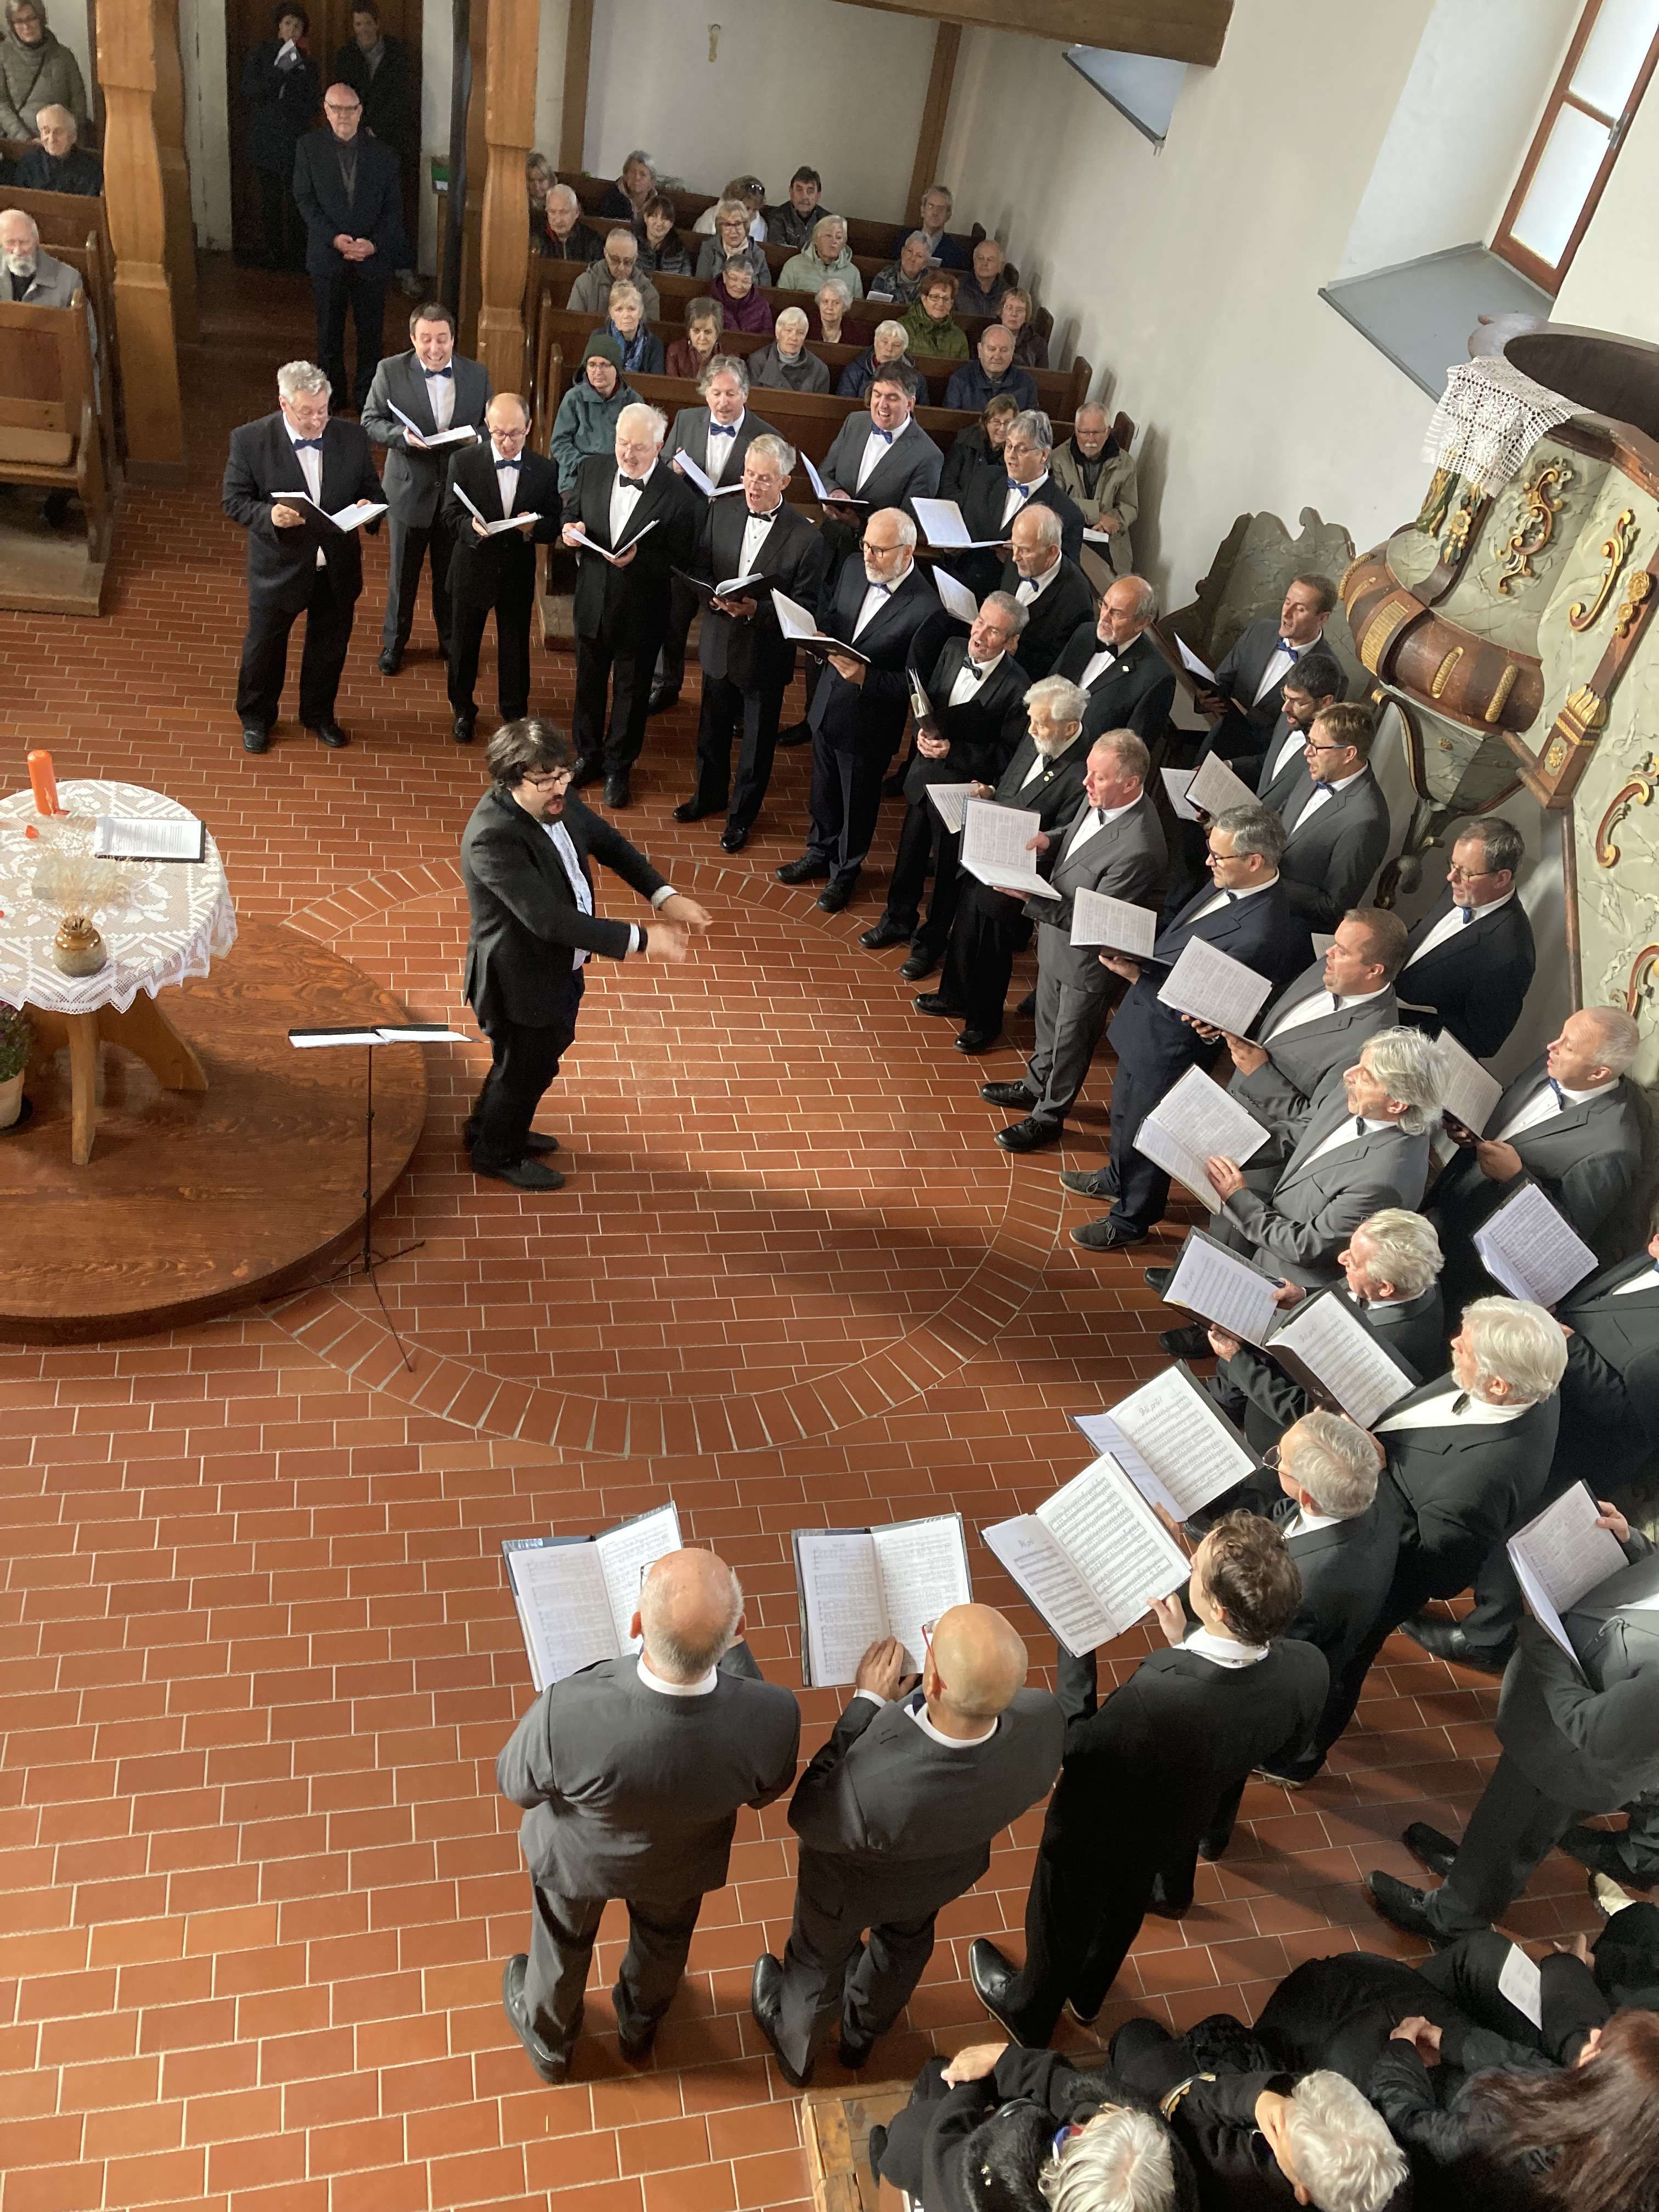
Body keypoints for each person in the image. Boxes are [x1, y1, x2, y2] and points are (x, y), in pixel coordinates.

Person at [969, 1514, 1327, 2046]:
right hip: (1176, 1825)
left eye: (1196, 1565)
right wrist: (1187, 1639)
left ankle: (1029, 2011)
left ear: (1219, 1610)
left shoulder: (1159, 1694)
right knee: (1126, 1903)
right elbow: (1282, 1746)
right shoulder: (1308, 1668)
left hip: (1095, 1831)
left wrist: (1074, 1645)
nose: (1190, 1560)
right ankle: (1088, 1995)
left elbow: (1080, 1748)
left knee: (1062, 1916)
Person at [496, 1544, 798, 2073]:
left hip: (578, 1862)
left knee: (562, 1938)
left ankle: (551, 2041)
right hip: (680, 1865)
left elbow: (515, 1784)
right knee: (664, 1941)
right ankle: (640, 2024)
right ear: (737, 1631)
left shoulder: (567, 1709)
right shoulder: (773, 1715)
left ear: (636, 1624)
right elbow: (767, 1791)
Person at [749, 1605, 1063, 2087]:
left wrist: (867, 1702)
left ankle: (798, 2054)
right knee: (903, 1947)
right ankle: (860, 2037)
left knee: (816, 1962)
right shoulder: (1045, 1721)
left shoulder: (870, 1787)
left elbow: (809, 1814)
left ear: (932, 1682)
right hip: (941, 1875)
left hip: (846, 1888)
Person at [1284, 1296, 1567, 1786]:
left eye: (1466, 1348)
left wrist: (1373, 1470)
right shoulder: (1527, 1381)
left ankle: (1302, 1755)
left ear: (1499, 1386)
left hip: (1381, 1576)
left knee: (1343, 1662)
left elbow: (1439, 1573)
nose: (1453, 1344)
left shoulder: (1478, 1483)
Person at [1367, 1500, 1658, 1947]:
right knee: (1509, 1826)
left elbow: (1589, 1730)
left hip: (1567, 1760)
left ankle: (1455, 1916)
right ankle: (1477, 1873)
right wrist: (1632, 1544)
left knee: (1515, 1827)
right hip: (1548, 1730)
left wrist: (1538, 1628)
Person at [459, 719, 709, 1187]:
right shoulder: (493, 837)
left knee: (526, 1062)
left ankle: (488, 1129)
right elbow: (549, 921)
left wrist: (663, 895)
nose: (560, 787)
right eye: (545, 780)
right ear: (511, 779)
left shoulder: (557, 799)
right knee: (527, 1067)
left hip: (556, 965)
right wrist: (643, 939)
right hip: (520, 977)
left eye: (564, 774)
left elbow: (608, 843)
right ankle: (496, 1153)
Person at [1065, 806, 1311, 1252]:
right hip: (1145, 1023)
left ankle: (1132, 1218)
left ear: (1254, 861)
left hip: (1171, 1042)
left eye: (1218, 856)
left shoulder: (1260, 932)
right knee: (1123, 1113)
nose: (1208, 862)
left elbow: (1204, 1008)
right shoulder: (1229, 880)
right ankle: (1116, 1177)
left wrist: (1135, 974)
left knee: (1148, 1130)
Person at [1163, 1029, 1443, 1325]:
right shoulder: (1359, 1097)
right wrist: (1228, 1146)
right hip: (1269, 1234)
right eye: (1359, 1064)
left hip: (1290, 1278)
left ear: (1397, 1104)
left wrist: (1237, 1198)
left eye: (1366, 1076)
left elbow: (1306, 1246)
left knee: (1243, 1330)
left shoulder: (1385, 1179)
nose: (1348, 1074)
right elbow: (1300, 1131)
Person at [981, 728, 1167, 1150]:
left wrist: (1030, 897)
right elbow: (1079, 834)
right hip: (1057, 943)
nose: (1086, 783)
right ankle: (1034, 1085)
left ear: (1130, 783)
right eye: (1089, 772)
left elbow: (1095, 922)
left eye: (1098, 777)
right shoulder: (1103, 796)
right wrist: (1050, 840)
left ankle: (1048, 1117)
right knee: (1048, 1026)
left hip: (1086, 961)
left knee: (1070, 1042)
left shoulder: (1139, 848)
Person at [915, 676, 1098, 1051]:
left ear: (1069, 728)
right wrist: (991, 792)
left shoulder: (1084, 770)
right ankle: (954, 995)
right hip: (988, 846)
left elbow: (1067, 830)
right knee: (966, 926)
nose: (1031, 730)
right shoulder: (1040, 737)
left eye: (1040, 724)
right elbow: (1014, 781)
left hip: (1022, 867)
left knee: (992, 948)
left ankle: (984, 1023)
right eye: (1032, 720)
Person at [775, 507, 936, 912]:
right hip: (828, 704)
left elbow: (915, 686)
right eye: (866, 545)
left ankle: (845, 872)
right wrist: (820, 635)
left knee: (857, 805)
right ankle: (819, 852)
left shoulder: (927, 608)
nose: (868, 556)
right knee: (823, 792)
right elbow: (836, 615)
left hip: (869, 725)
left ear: (908, 551)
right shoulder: (852, 566)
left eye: (880, 550)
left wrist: (866, 678)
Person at [858, 595, 1031, 972]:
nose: (979, 635)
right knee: (909, 858)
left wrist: (954, 751)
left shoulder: (1019, 687)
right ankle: (896, 920)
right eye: (980, 622)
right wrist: (921, 736)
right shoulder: (952, 649)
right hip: (924, 777)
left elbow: (1008, 755)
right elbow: (929, 706)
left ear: (1012, 642)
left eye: (994, 631)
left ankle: (930, 943)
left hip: (962, 794)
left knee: (946, 878)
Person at [673, 434, 827, 853]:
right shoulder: (721, 510)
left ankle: (741, 818)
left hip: (765, 654)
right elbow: (701, 565)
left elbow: (806, 607)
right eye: (748, 475)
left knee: (756, 747)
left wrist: (756, 611)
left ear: (785, 482)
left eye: (764, 479)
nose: (753, 486)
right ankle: (708, 795)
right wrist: (711, 595)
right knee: (711, 731)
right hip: (720, 642)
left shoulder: (806, 538)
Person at [221, 359, 385, 754]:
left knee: (329, 647)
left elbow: (372, 489)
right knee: (264, 648)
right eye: (307, 412)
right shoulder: (250, 440)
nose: (317, 421)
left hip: (336, 565)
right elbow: (234, 500)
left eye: (323, 411)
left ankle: (318, 714)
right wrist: (269, 516)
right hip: (279, 567)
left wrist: (370, 507)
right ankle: (257, 719)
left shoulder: (352, 436)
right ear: (284, 404)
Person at [1203, 1207, 1447, 1468]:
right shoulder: (1409, 1284)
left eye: (1353, 1261)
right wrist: (1304, 1295)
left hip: (1279, 1433)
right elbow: (1353, 1297)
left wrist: (1237, 1360)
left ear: (1385, 1287)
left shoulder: (1386, 1355)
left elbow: (1307, 1412)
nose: (1342, 1258)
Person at [1369, 2002, 1659, 2208]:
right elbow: (1535, 2067)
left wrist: (1400, 2051)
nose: (1595, 2033)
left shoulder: (1515, 2144)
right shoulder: (1628, 2157)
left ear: (1608, 2094)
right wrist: (1453, 2043)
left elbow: (1409, 2126)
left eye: (1602, 2047)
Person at [1108, 2025, 1408, 2212]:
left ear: (1302, 2192)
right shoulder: (1389, 2188)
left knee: (1135, 2035)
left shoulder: (1233, 2166)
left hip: (1176, 2137)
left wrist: (1256, 2099)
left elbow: (1186, 2106)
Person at [1434, 1003, 1643, 1272]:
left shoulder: (1613, 1150)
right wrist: (1472, 1131)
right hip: (1449, 1195)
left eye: (1569, 1047)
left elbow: (1568, 1239)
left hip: (1480, 1255)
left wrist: (1515, 1179)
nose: (1551, 1046)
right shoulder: (1556, 1063)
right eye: (1561, 1035)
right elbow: (1511, 1116)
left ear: (1598, 1073)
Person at [562, 400, 699, 808]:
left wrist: (641, 559)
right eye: (623, 443)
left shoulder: (678, 496)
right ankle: (588, 755)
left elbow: (682, 557)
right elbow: (571, 512)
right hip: (593, 600)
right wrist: (571, 529)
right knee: (588, 685)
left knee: (632, 692)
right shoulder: (592, 470)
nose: (628, 454)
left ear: (658, 447)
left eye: (639, 447)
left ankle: (619, 767)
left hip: (643, 609)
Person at [871, 2041, 1196, 2212]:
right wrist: (1007, 2061)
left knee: (925, 2099)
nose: (1091, 2115)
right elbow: (1076, 2093)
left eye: (1071, 2135)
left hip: (932, 2170)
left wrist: (973, 2086)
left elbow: (928, 2146)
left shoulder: (977, 2193)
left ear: (1055, 2178)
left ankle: (881, 2168)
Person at [360, 299, 491, 676]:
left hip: (454, 493)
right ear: (413, 339)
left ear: (453, 338)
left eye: (442, 339)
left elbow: (489, 426)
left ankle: (449, 642)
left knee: (449, 575)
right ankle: (394, 644)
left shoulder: (477, 375)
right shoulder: (389, 371)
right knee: (402, 576)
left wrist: (476, 439)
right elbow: (371, 420)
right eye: (426, 340)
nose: (435, 349)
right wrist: (401, 437)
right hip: (408, 488)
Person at [651, 356, 776, 713]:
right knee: (672, 617)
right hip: (685, 535)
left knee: (730, 623)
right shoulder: (687, 420)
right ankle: (665, 685)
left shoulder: (766, 436)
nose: (723, 402)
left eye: (731, 394)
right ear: (706, 393)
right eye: (716, 393)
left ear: (745, 394)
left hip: (733, 542)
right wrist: (673, 468)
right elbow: (661, 467)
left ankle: (729, 702)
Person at [442, 393, 562, 743]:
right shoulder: (463, 462)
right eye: (498, 434)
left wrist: (535, 527)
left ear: (529, 427)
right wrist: (469, 528)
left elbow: (555, 522)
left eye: (515, 434)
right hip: (472, 566)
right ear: (487, 427)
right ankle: (463, 710)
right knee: (464, 646)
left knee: (515, 648)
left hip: (516, 572)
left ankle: (514, 714)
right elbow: (449, 513)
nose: (507, 443)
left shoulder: (545, 469)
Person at [292, 81, 406, 410]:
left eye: (350, 109)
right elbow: (305, 200)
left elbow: (394, 209)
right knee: (329, 333)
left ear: (360, 112)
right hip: (328, 256)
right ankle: (331, 398)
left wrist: (373, 244)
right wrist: (333, 238)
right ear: (326, 111)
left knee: (371, 335)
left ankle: (367, 401)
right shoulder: (308, 147)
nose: (343, 115)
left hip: (371, 260)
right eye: (336, 108)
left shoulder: (385, 154)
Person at [1395, 816, 1536, 1059]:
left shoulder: (1511, 951)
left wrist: (1401, 1015)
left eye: (1465, 872)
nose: (1451, 877)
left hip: (1407, 1050)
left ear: (1501, 878)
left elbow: (1483, 1041)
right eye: (1453, 865)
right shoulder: (1463, 888)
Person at [1271, 702, 1394, 927]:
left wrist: (1266, 881)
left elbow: (1333, 906)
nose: (1307, 752)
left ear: (1348, 754)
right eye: (1309, 741)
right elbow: (1282, 817)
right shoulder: (1319, 769)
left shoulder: (1367, 821)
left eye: (1317, 746)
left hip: (1288, 924)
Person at [1192, 575, 1337, 764]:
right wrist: (1204, 701)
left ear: (1322, 618)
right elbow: (1222, 681)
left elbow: (1302, 739)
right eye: (1287, 602)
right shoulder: (1259, 631)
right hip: (1218, 741)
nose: (1286, 614)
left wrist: (1250, 717)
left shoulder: (1332, 674)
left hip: (1260, 764)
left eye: (1300, 609)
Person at [329, 2, 413, 292]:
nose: (363, 29)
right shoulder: (346, 55)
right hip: (355, 138)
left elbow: (403, 96)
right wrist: (360, 129)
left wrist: (378, 128)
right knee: (358, 199)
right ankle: (357, 262)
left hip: (391, 138)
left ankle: (399, 265)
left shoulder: (398, 53)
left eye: (367, 23)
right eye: (358, 24)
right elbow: (343, 95)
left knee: (392, 203)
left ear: (377, 23)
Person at [957, 409, 1084, 591]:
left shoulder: (1067, 513)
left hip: (1010, 596)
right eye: (1009, 446)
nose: (1011, 455)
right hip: (959, 580)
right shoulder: (984, 478)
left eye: (1022, 449)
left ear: (1044, 455)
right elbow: (960, 521)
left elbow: (1065, 579)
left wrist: (1020, 560)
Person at [815, 365, 944, 537]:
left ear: (910, 404)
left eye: (892, 398)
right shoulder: (855, 422)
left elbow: (907, 522)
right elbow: (825, 472)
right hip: (828, 534)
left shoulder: (928, 456)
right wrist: (834, 491)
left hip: (876, 546)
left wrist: (858, 524)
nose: (882, 405)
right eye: (877, 395)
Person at [1051, 574, 1176, 747]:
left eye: (1117, 613)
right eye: (1104, 605)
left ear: (1142, 622)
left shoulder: (1156, 678)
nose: (1104, 617)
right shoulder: (1084, 633)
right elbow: (1049, 688)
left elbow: (1131, 751)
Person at [240, 6, 318, 271]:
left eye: (298, 26)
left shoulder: (308, 63)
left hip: (295, 138)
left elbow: (312, 103)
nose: (292, 30)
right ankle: (273, 252)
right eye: (288, 24)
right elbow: (251, 91)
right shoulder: (261, 54)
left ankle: (297, 254)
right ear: (279, 27)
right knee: (270, 198)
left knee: (298, 197)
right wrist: (280, 70)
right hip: (266, 137)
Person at [998, 504, 1093, 681]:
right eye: (1014, 545)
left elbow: (1062, 667)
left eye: (1025, 550)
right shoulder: (1018, 560)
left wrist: (1016, 651)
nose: (1015, 557)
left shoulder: (1077, 600)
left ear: (1052, 552)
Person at [1051, 401, 1138, 581]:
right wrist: (1096, 515)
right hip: (1069, 535)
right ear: (1076, 430)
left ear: (1108, 431)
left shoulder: (1126, 463)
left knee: (1117, 586)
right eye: (1085, 432)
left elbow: (1130, 506)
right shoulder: (1058, 458)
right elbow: (1055, 503)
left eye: (1097, 433)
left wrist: (1113, 521)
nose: (1091, 440)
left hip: (1110, 538)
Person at [1251, 649, 1347, 798]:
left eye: (1298, 702)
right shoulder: (1291, 716)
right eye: (1285, 696)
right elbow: (1270, 766)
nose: (1285, 708)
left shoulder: (1331, 752)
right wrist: (1231, 766)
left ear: (1325, 702)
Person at [549, 331, 635, 494]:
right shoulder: (574, 398)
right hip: (577, 476)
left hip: (618, 476)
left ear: (616, 368)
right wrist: (585, 467)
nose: (597, 371)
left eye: (604, 365)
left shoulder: (632, 401)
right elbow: (559, 443)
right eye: (592, 365)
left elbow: (639, 443)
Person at [0, 0, 86, 141]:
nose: (26, 27)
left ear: (41, 18)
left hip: (60, 142)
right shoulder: (3, 55)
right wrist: (25, 139)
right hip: (20, 143)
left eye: (31, 18)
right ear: (12, 24)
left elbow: (79, 103)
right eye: (19, 21)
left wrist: (64, 138)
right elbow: (1, 104)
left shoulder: (64, 56)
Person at [567, 230, 661, 323]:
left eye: (628, 262)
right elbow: (572, 324)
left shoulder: (648, 292)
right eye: (615, 260)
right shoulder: (584, 284)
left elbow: (650, 331)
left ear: (636, 258)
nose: (621, 268)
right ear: (605, 254)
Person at [938, 391, 1018, 501]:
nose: (1002, 429)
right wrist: (968, 505)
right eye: (996, 422)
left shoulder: (1016, 452)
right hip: (960, 504)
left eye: (1008, 423)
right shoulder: (965, 441)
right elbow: (947, 484)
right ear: (986, 422)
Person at [945, 324, 1038, 414]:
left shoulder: (1027, 383)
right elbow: (951, 420)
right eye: (992, 349)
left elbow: (1032, 422)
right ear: (980, 350)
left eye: (1004, 350)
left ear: (1012, 353)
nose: (997, 356)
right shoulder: (960, 380)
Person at [0, 205, 79, 304]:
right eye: (10, 243)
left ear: (36, 241)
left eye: (24, 242)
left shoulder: (69, 280)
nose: (18, 251)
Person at [14, 103, 99, 193]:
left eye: (58, 132)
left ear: (72, 137)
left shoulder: (90, 169)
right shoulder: (29, 164)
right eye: (46, 132)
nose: (51, 139)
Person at [778, 213, 863, 300]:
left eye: (839, 237)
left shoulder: (853, 273)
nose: (834, 241)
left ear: (844, 243)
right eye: (829, 236)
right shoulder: (793, 266)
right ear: (816, 239)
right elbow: (781, 300)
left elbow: (858, 306)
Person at [750, 306, 829, 392]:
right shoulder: (758, 362)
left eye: (800, 333)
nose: (794, 338)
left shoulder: (820, 370)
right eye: (788, 330)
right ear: (777, 333)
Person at [596, 279, 664, 376]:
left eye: (631, 309)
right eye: (619, 309)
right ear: (611, 313)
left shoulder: (654, 344)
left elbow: (657, 381)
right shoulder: (598, 338)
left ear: (640, 312)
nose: (626, 315)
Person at [892, 182, 967, 269]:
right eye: (931, 206)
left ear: (948, 215)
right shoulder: (903, 238)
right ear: (923, 210)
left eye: (941, 209)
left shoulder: (954, 252)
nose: (935, 213)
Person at [693, 196, 769, 284]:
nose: (733, 231)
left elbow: (765, 288)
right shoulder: (709, 248)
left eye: (738, 224)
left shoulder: (758, 254)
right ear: (721, 228)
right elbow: (702, 284)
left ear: (746, 226)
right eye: (727, 225)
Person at [901, 269, 969, 361]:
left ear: (952, 304)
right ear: (924, 299)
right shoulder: (904, 327)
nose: (941, 304)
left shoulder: (959, 336)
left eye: (946, 299)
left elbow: (963, 368)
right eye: (935, 297)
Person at [837, 318, 912, 400]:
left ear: (903, 349)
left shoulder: (914, 377)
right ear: (875, 342)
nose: (889, 349)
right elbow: (844, 403)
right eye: (884, 342)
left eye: (896, 345)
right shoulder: (854, 371)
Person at [765, 165, 831, 252]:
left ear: (818, 195)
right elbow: (778, 253)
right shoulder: (777, 217)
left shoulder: (828, 221)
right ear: (791, 191)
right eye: (799, 190)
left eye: (810, 191)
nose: (804, 196)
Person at [865, 231, 934, 309]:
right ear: (902, 252)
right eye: (910, 251)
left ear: (925, 263)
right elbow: (874, 309)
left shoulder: (932, 282)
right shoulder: (884, 277)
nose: (912, 259)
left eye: (919, 256)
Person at [538, 180, 602, 263]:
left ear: (576, 213)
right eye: (552, 212)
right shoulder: (537, 238)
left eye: (564, 212)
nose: (558, 220)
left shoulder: (593, 241)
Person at [709, 254, 772, 334]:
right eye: (734, 279)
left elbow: (767, 336)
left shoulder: (762, 306)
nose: (739, 286)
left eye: (746, 281)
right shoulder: (710, 302)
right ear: (725, 277)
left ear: (752, 282)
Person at [664, 295, 723, 380]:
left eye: (708, 332)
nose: (702, 338)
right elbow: (672, 385)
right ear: (689, 331)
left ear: (717, 332)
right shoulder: (675, 351)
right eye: (696, 331)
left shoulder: (728, 355)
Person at [953, 235, 1012, 319]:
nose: (984, 263)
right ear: (974, 262)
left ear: (1001, 266)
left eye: (990, 260)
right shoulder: (957, 287)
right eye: (980, 258)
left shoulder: (1008, 294)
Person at [634, 191, 690, 276]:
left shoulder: (680, 250)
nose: (659, 223)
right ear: (646, 218)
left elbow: (686, 279)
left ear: (672, 223)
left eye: (665, 218)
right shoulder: (632, 243)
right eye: (654, 216)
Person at [596, 148, 656, 222]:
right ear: (625, 175)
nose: (637, 177)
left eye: (643, 174)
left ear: (651, 181)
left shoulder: (659, 204)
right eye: (633, 172)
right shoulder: (611, 200)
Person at [997, 286, 1048, 369]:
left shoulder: (1038, 344)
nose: (1014, 314)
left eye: (1020, 310)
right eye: (1010, 308)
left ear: (1026, 315)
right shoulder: (989, 336)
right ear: (1001, 311)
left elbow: (1043, 375)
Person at [524, 150, 553, 240]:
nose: (536, 186)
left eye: (541, 180)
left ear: (549, 180)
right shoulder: (522, 203)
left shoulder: (561, 198)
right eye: (531, 181)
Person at [814, 278, 851, 344]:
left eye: (836, 303)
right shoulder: (808, 331)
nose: (830, 307)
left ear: (844, 306)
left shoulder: (856, 335)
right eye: (825, 302)